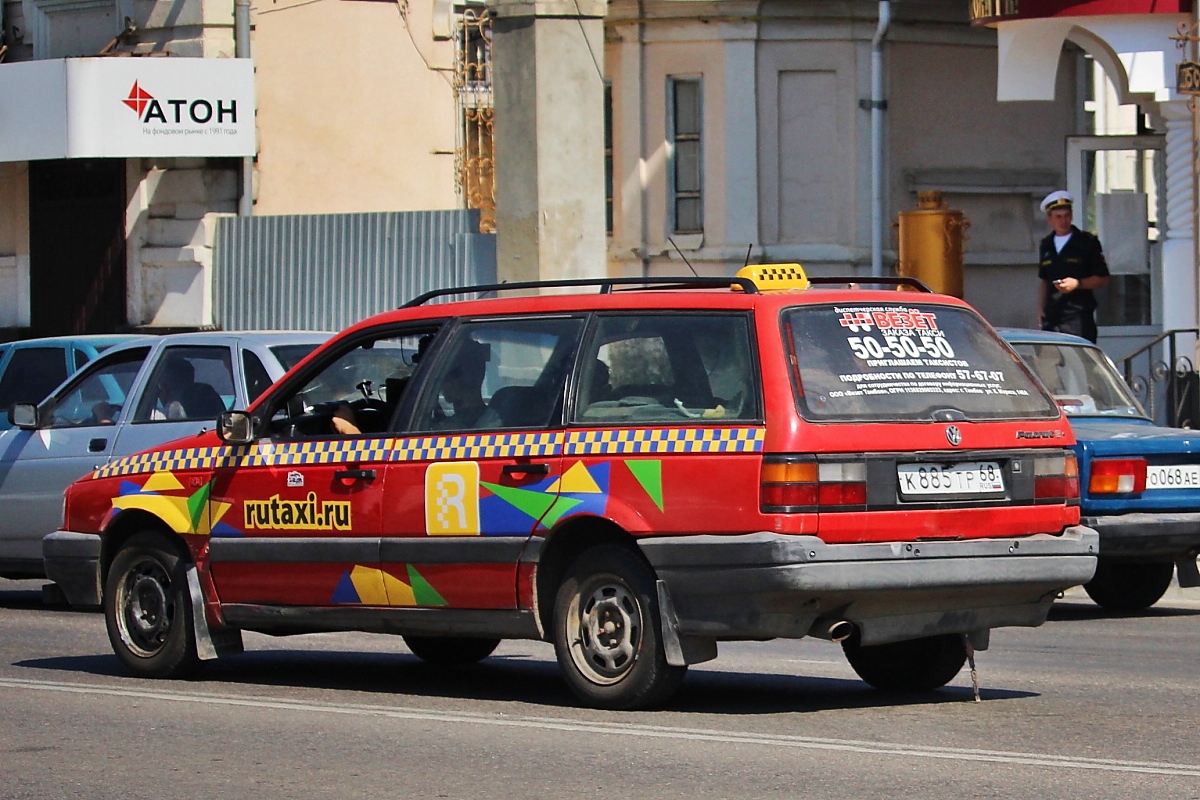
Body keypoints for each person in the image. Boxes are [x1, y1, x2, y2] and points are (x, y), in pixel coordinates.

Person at [1037, 190, 1110, 343]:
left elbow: (1102, 278)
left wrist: (1077, 283)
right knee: (1049, 363)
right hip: (1052, 318)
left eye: (1066, 216)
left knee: (1080, 365)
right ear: (1049, 219)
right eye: (1058, 217)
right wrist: (1041, 309)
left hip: (1078, 317)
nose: (1063, 221)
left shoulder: (1086, 242)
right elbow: (1044, 280)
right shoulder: (1046, 244)